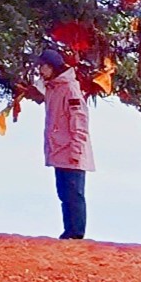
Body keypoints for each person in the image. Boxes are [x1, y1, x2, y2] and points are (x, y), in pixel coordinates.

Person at [43, 56, 92, 238]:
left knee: (74, 194)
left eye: (43, 66)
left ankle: (76, 233)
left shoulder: (70, 89)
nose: (41, 70)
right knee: (64, 193)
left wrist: (76, 150)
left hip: (71, 150)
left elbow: (79, 121)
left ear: (51, 66)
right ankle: (68, 231)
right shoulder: (53, 88)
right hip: (58, 150)